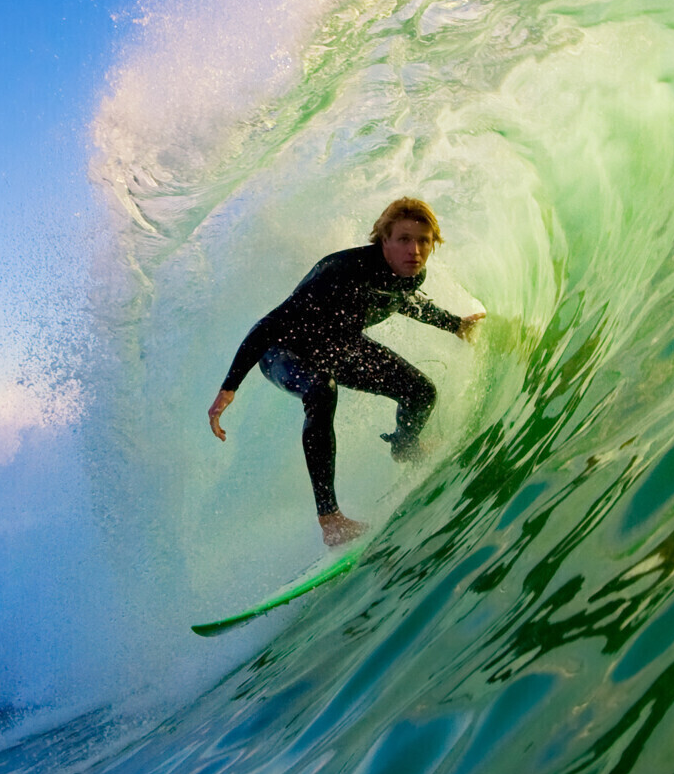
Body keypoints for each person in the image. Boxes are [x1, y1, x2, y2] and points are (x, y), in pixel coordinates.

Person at [207, 198, 485, 545]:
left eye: (424, 240)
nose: (414, 250)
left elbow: (405, 302)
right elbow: (268, 325)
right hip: (283, 349)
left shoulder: (409, 273)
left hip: (340, 346)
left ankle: (405, 446)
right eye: (403, 239)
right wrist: (229, 387)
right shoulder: (340, 271)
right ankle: (331, 520)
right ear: (383, 240)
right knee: (322, 390)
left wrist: (455, 325)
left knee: (421, 392)